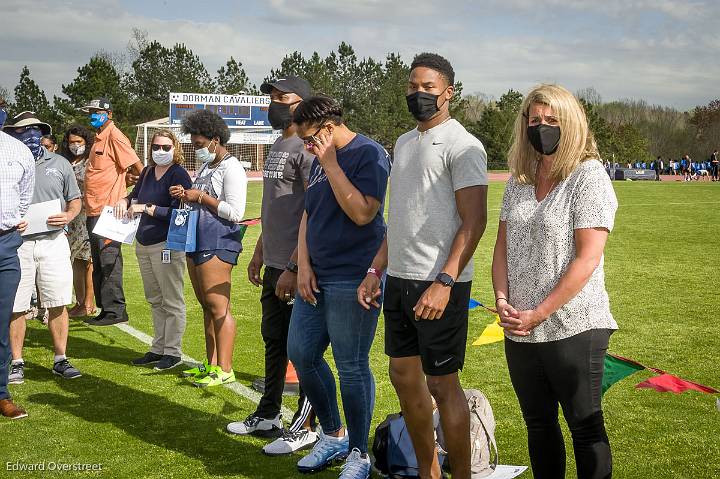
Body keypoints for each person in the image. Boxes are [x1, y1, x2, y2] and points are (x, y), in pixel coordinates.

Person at [359, 53, 488, 479]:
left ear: (448, 92)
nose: (419, 94)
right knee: (402, 376)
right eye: (413, 87)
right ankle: (428, 472)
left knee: (442, 385)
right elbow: (400, 220)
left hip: (440, 286)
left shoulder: (463, 144)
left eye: (428, 88)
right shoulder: (403, 142)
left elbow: (475, 221)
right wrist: (376, 270)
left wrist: (445, 281)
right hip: (399, 279)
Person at [492, 84, 617, 479]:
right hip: (520, 328)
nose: (541, 127)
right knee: (538, 424)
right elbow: (502, 247)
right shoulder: (520, 180)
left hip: (574, 325)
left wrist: (539, 313)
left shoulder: (588, 175)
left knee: (584, 425)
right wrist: (501, 298)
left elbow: (587, 257)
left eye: (551, 121)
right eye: (535, 120)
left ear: (572, 124)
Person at [286, 96, 390, 479]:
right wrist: (303, 265)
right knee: (301, 352)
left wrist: (329, 163)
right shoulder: (318, 160)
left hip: (355, 274)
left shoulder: (369, 154)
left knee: (351, 366)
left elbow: (363, 213)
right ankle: (333, 434)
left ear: (328, 128)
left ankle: (360, 453)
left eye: (311, 139)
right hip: (318, 274)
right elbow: (308, 214)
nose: (308, 147)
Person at [226, 76, 318, 455]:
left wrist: (296, 265)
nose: (276, 103)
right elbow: (276, 207)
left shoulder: (310, 147)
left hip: (298, 268)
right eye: (273, 97)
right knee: (274, 341)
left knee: (304, 349)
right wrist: (261, 251)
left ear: (305, 103)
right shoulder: (279, 142)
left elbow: (313, 210)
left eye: (284, 97)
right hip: (275, 262)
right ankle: (268, 414)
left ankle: (307, 423)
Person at [3, 112, 82, 385]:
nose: (33, 135)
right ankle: (16, 362)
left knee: (58, 301)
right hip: (19, 243)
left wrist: (69, 216)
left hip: (54, 241)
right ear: (13, 133)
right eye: (26, 130)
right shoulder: (7, 163)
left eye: (38, 130)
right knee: (17, 305)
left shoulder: (60, 163)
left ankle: (60, 358)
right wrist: (12, 220)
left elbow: (75, 201)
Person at [170, 109, 247, 387]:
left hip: (219, 241)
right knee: (205, 305)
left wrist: (200, 196)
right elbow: (199, 200)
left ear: (216, 139)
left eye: (200, 145)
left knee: (218, 306)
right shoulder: (207, 167)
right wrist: (186, 196)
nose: (197, 149)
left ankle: (225, 368)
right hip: (197, 239)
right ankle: (211, 363)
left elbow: (235, 212)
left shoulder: (232, 167)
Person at [115, 129, 192, 371]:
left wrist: (146, 209)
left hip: (166, 244)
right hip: (144, 243)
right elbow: (134, 195)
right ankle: (158, 348)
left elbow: (180, 214)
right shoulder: (147, 172)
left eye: (166, 147)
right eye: (156, 147)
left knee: (172, 300)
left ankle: (172, 352)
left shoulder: (178, 174)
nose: (160, 151)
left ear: (175, 149)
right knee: (155, 299)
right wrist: (124, 201)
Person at [80, 97, 143, 326]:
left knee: (109, 262)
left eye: (96, 111)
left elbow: (139, 168)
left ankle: (116, 311)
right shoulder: (99, 138)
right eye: (91, 111)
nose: (92, 115)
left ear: (108, 113)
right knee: (99, 263)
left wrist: (132, 196)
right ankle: (105, 310)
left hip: (109, 213)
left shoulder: (115, 136)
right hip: (94, 211)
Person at [0, 98, 34, 420]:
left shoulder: (18, 151)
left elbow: (24, 198)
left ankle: (0, 394)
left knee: (1, 323)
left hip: (5, 244)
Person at [59, 125, 96, 318]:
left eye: (79, 142)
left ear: (86, 142)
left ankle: (89, 303)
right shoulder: (63, 162)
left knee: (88, 259)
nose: (75, 145)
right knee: (74, 260)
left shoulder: (91, 161)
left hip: (87, 214)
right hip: (69, 217)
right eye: (72, 142)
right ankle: (80, 301)